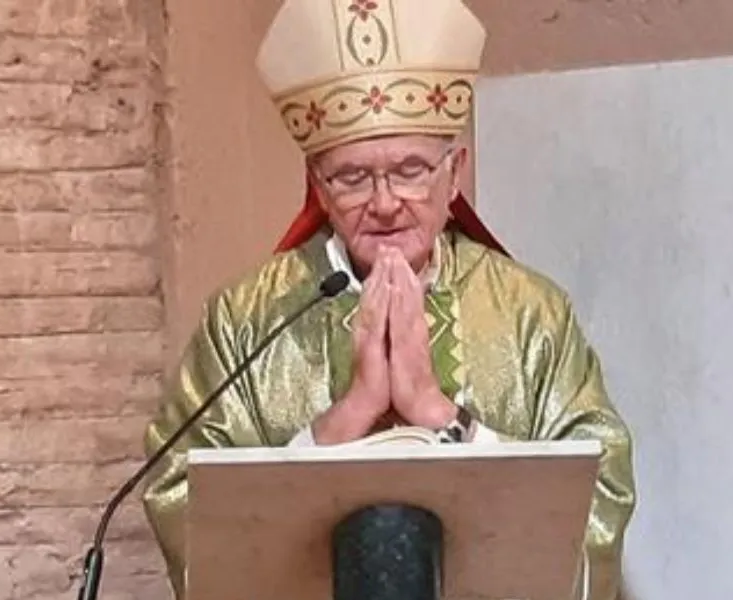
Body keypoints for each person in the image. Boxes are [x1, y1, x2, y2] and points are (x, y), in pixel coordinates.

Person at [142, 0, 636, 598]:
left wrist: (439, 415)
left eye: (409, 171)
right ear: (319, 187)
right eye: (352, 177)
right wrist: (347, 417)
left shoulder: (530, 314)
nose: (383, 203)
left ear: (455, 173)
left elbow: (600, 492)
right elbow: (180, 492)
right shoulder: (246, 321)